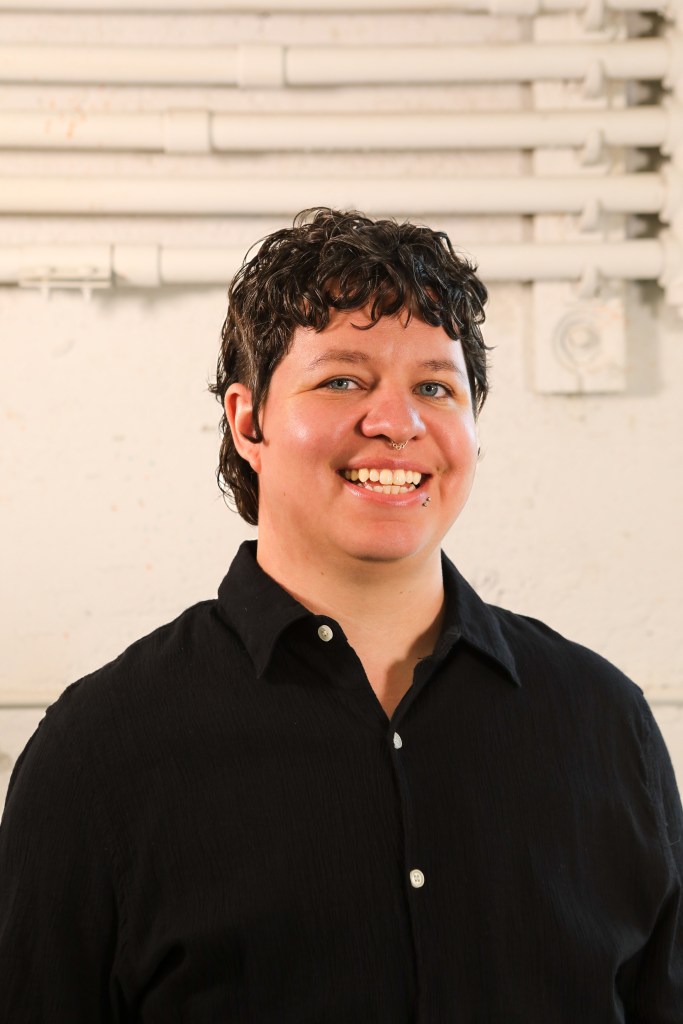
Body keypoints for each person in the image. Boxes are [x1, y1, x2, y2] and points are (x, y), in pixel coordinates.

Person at [0, 208, 681, 1022]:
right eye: (342, 380)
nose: (397, 422)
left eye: (435, 386)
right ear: (247, 420)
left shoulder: (605, 725)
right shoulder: (100, 750)